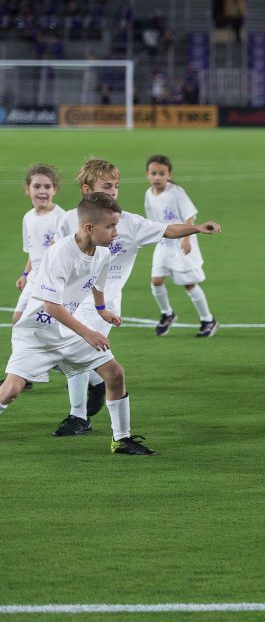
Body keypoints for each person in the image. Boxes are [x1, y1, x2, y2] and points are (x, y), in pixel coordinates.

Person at [52, 159, 222, 437]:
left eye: (116, 186)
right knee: (62, 355)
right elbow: (56, 254)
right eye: (107, 186)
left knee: (77, 349)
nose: (114, 191)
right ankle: (96, 382)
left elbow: (165, 229)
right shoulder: (68, 219)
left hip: (103, 303)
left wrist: (197, 228)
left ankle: (78, 416)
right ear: (87, 190)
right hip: (69, 298)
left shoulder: (127, 223)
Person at [1, 193, 156, 455]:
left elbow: (97, 283)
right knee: (10, 392)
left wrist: (101, 310)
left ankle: (122, 440)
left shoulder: (104, 253)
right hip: (38, 332)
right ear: (88, 227)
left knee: (115, 374)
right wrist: (88, 333)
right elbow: (51, 306)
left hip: (69, 331)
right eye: (110, 226)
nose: (116, 232)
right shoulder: (60, 253)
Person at [145, 155, 219, 338]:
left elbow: (189, 216)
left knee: (189, 284)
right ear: (147, 174)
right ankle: (167, 313)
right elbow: (151, 220)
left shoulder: (176, 192)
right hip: (163, 242)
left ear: (169, 174)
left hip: (181, 242)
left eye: (162, 173)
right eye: (153, 173)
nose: (157, 177)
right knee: (156, 281)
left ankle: (208, 319)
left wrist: (186, 239)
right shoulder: (148, 194)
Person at [13, 164, 65, 326]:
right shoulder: (28, 217)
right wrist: (25, 274)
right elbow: (33, 251)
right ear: (27, 189)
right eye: (36, 186)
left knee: (45, 327)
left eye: (47, 186)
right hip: (34, 279)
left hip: (50, 282)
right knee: (17, 320)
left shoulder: (61, 218)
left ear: (54, 189)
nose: (42, 191)